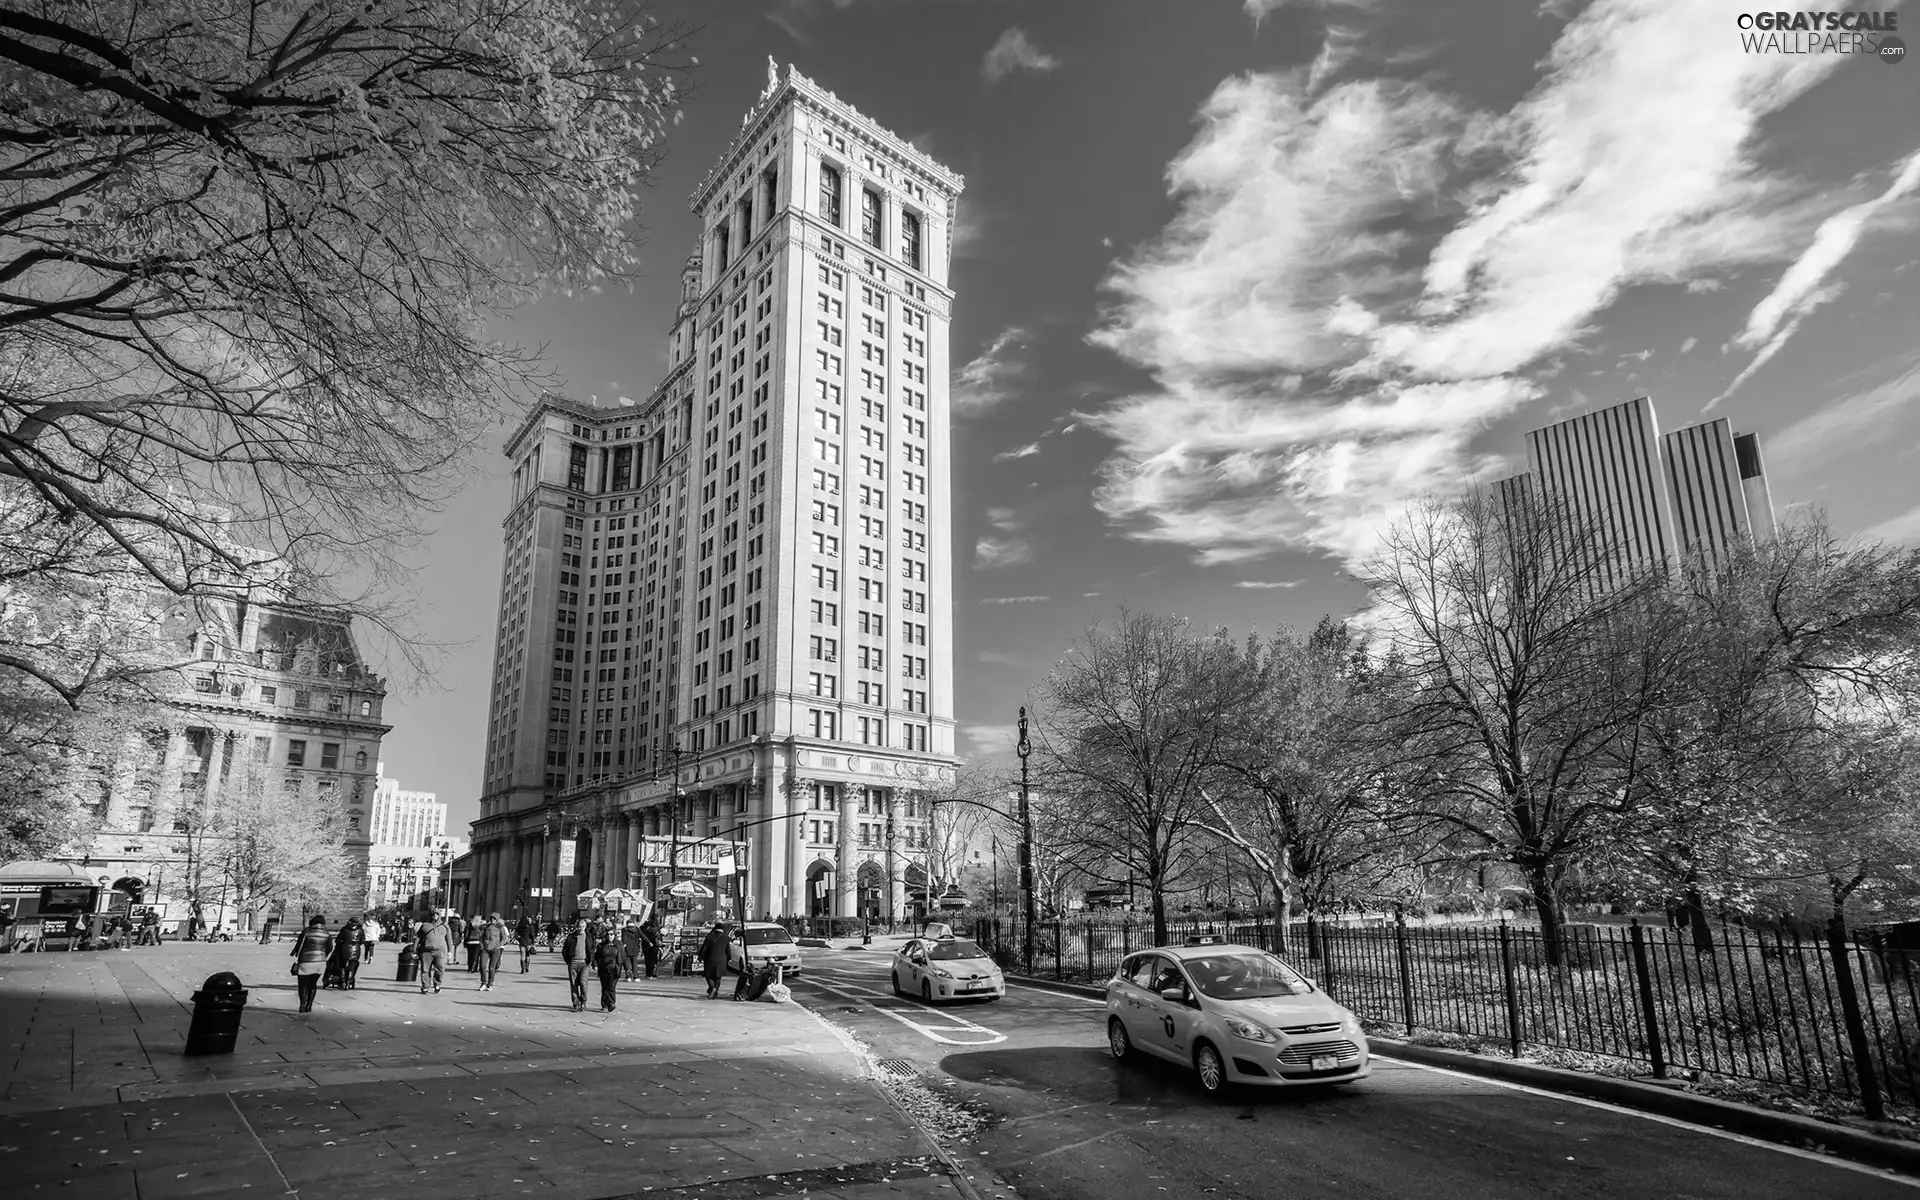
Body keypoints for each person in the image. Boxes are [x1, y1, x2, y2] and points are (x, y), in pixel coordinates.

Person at [290, 916, 332, 1013]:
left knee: (303, 984)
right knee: (313, 984)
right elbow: (330, 947)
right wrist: (323, 954)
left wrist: (296, 954)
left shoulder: (307, 932)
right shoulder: (326, 934)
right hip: (320, 962)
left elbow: (299, 945)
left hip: (306, 961)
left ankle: (303, 1004)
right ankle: (309, 1005)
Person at [417, 911, 452, 994]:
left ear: (439, 915)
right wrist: (414, 949)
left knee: (440, 968)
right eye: (433, 914)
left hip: (440, 951)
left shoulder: (445, 926)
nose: (434, 916)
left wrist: (450, 951)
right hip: (426, 951)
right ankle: (425, 986)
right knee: (425, 970)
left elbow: (449, 939)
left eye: (436, 914)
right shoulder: (425, 925)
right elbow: (418, 937)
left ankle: (437, 984)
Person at [560, 920, 589, 1012]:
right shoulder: (571, 937)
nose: (581, 928)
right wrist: (568, 961)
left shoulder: (589, 937)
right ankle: (576, 1003)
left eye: (583, 926)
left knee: (583, 983)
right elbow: (565, 950)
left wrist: (590, 960)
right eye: (579, 926)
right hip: (573, 963)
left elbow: (591, 949)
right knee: (574, 984)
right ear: (577, 927)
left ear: (586, 926)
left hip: (584, 963)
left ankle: (583, 999)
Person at [594, 927, 623, 1011]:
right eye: (608, 934)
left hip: (614, 969)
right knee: (604, 987)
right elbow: (596, 957)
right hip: (604, 968)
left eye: (611, 934)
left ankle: (611, 1003)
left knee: (611, 986)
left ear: (614, 935)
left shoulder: (619, 945)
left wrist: (628, 969)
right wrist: (595, 965)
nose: (610, 936)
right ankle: (604, 1005)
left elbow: (623, 957)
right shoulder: (601, 945)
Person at [700, 922, 731, 1000]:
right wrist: (729, 958)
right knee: (718, 976)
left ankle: (712, 987)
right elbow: (728, 950)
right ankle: (715, 992)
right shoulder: (726, 937)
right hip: (722, 960)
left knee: (708, 975)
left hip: (710, 958)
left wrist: (700, 957)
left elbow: (704, 948)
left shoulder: (710, 936)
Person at [478, 912, 508, 991]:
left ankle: (490, 984)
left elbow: (504, 938)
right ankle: (483, 983)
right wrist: (481, 946)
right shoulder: (486, 927)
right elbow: (481, 937)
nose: (492, 920)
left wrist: (498, 946)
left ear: (497, 919)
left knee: (492, 968)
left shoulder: (500, 927)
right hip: (485, 949)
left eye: (494, 918)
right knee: (482, 966)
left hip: (495, 950)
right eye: (491, 918)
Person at [334, 917, 365, 988]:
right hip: (355, 950)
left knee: (342, 965)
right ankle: (349, 981)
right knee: (352, 966)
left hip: (344, 949)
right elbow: (362, 940)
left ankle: (343, 981)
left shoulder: (344, 929)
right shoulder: (360, 930)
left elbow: (339, 939)